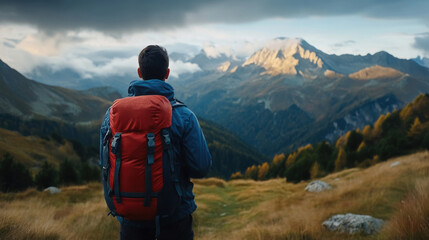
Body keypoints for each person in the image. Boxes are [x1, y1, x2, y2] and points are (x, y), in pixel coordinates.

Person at [100, 45, 212, 240]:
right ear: (167, 73)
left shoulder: (112, 116)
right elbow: (201, 167)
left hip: (130, 219)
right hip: (174, 216)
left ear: (139, 72)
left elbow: (105, 164)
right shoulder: (184, 116)